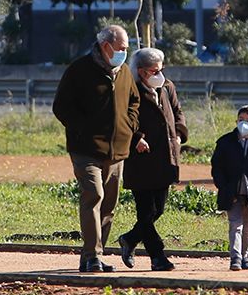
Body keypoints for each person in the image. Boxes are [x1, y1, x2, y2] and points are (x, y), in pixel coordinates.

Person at [52, 24, 140, 272]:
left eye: (126, 48)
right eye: (121, 48)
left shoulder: (123, 72)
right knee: (94, 196)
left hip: (117, 152)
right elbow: (61, 107)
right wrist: (83, 130)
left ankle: (95, 256)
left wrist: (129, 126)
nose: (124, 52)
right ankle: (91, 254)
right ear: (106, 46)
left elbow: (134, 102)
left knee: (109, 204)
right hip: (86, 150)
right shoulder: (79, 70)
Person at [117, 47, 188, 272]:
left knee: (158, 209)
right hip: (141, 159)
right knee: (146, 211)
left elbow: (178, 112)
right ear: (141, 72)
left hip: (165, 156)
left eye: (160, 69)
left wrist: (178, 133)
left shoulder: (167, 87)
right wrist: (136, 138)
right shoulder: (129, 90)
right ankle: (158, 257)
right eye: (153, 70)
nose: (159, 74)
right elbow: (122, 118)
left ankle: (129, 239)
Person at [211, 105, 248, 271]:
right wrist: (224, 188)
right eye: (240, 120)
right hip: (232, 193)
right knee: (235, 225)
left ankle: (245, 257)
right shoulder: (225, 142)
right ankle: (235, 259)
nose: (243, 124)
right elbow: (217, 167)